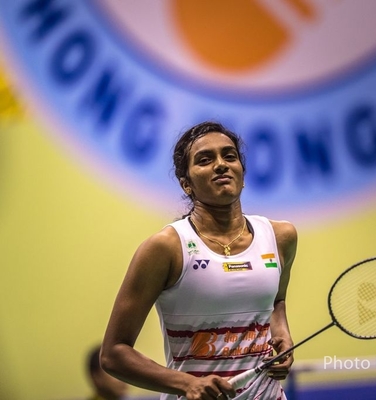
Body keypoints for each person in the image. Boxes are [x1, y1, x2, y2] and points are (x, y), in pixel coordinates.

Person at [101, 121, 297, 400]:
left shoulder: (280, 236)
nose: (221, 165)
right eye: (205, 160)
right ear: (187, 184)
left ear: (242, 174)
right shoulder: (166, 248)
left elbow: (277, 301)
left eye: (229, 156)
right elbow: (113, 354)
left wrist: (282, 334)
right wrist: (186, 383)